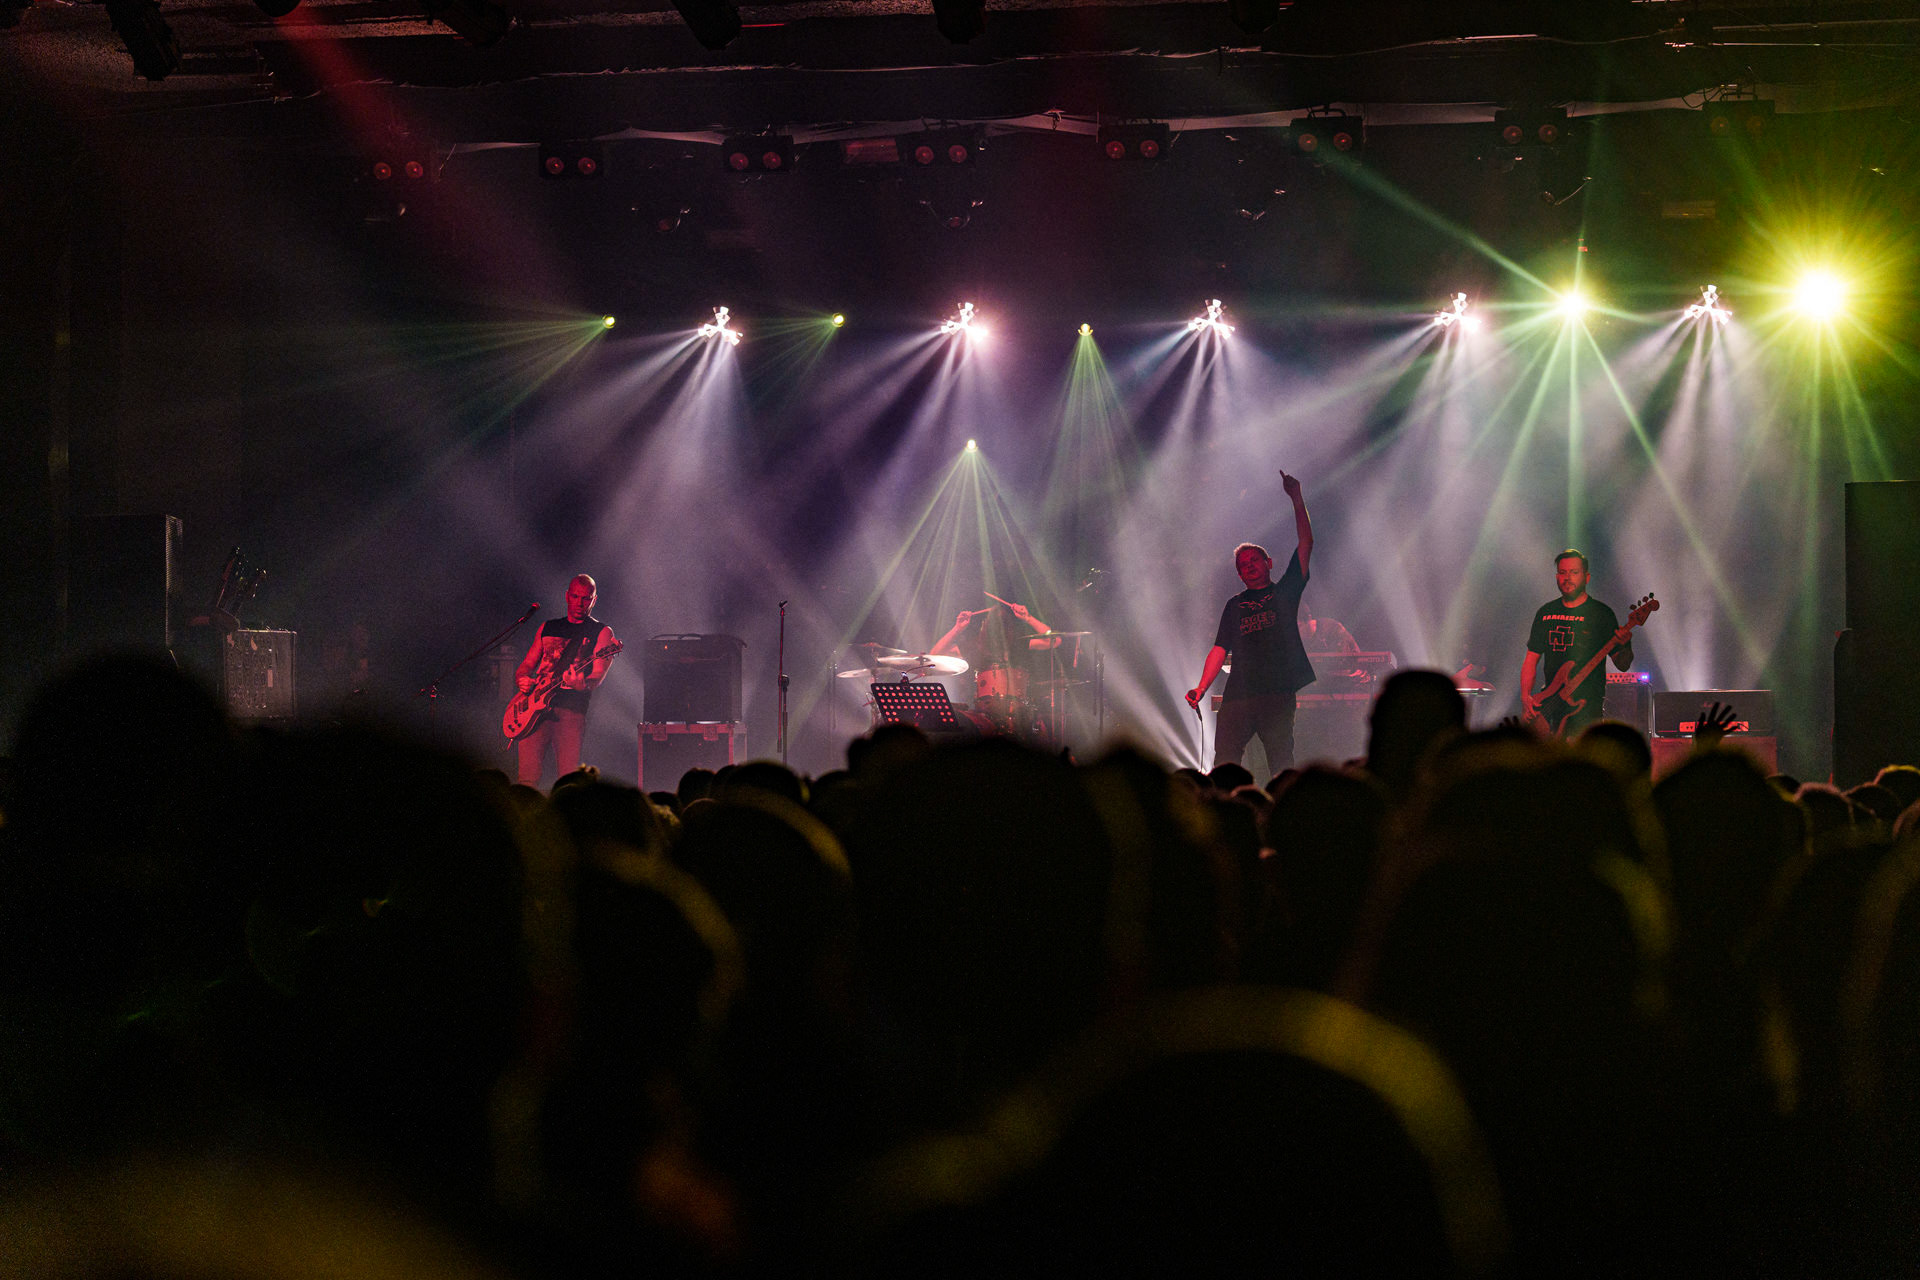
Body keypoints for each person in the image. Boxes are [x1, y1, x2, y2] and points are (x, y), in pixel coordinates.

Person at [1186, 470, 1316, 772]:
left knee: (1281, 762)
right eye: (1242, 566)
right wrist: (1202, 687)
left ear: (1268, 564)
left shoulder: (1285, 591)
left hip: (1277, 692)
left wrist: (1296, 498)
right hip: (1238, 695)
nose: (1248, 567)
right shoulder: (1234, 605)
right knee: (1225, 762)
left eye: (1253, 561)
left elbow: (1306, 542)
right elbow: (1219, 649)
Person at [514, 574, 619, 787]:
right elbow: (527, 665)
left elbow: (597, 676)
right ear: (567, 596)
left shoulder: (602, 632)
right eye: (575, 597)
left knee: (569, 780)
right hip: (532, 709)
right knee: (526, 777)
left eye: (586, 598)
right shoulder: (548, 627)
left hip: (570, 711)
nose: (580, 603)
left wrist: (581, 685)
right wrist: (522, 678)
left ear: (594, 599)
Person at [1520, 549, 1634, 737]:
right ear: (1557, 577)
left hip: (1587, 712)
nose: (1568, 578)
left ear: (1586, 577)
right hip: (1549, 707)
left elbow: (1623, 665)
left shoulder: (1601, 614)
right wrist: (1526, 698)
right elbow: (1531, 660)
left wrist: (1625, 644)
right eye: (1562, 572)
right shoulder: (1545, 612)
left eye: (1574, 572)